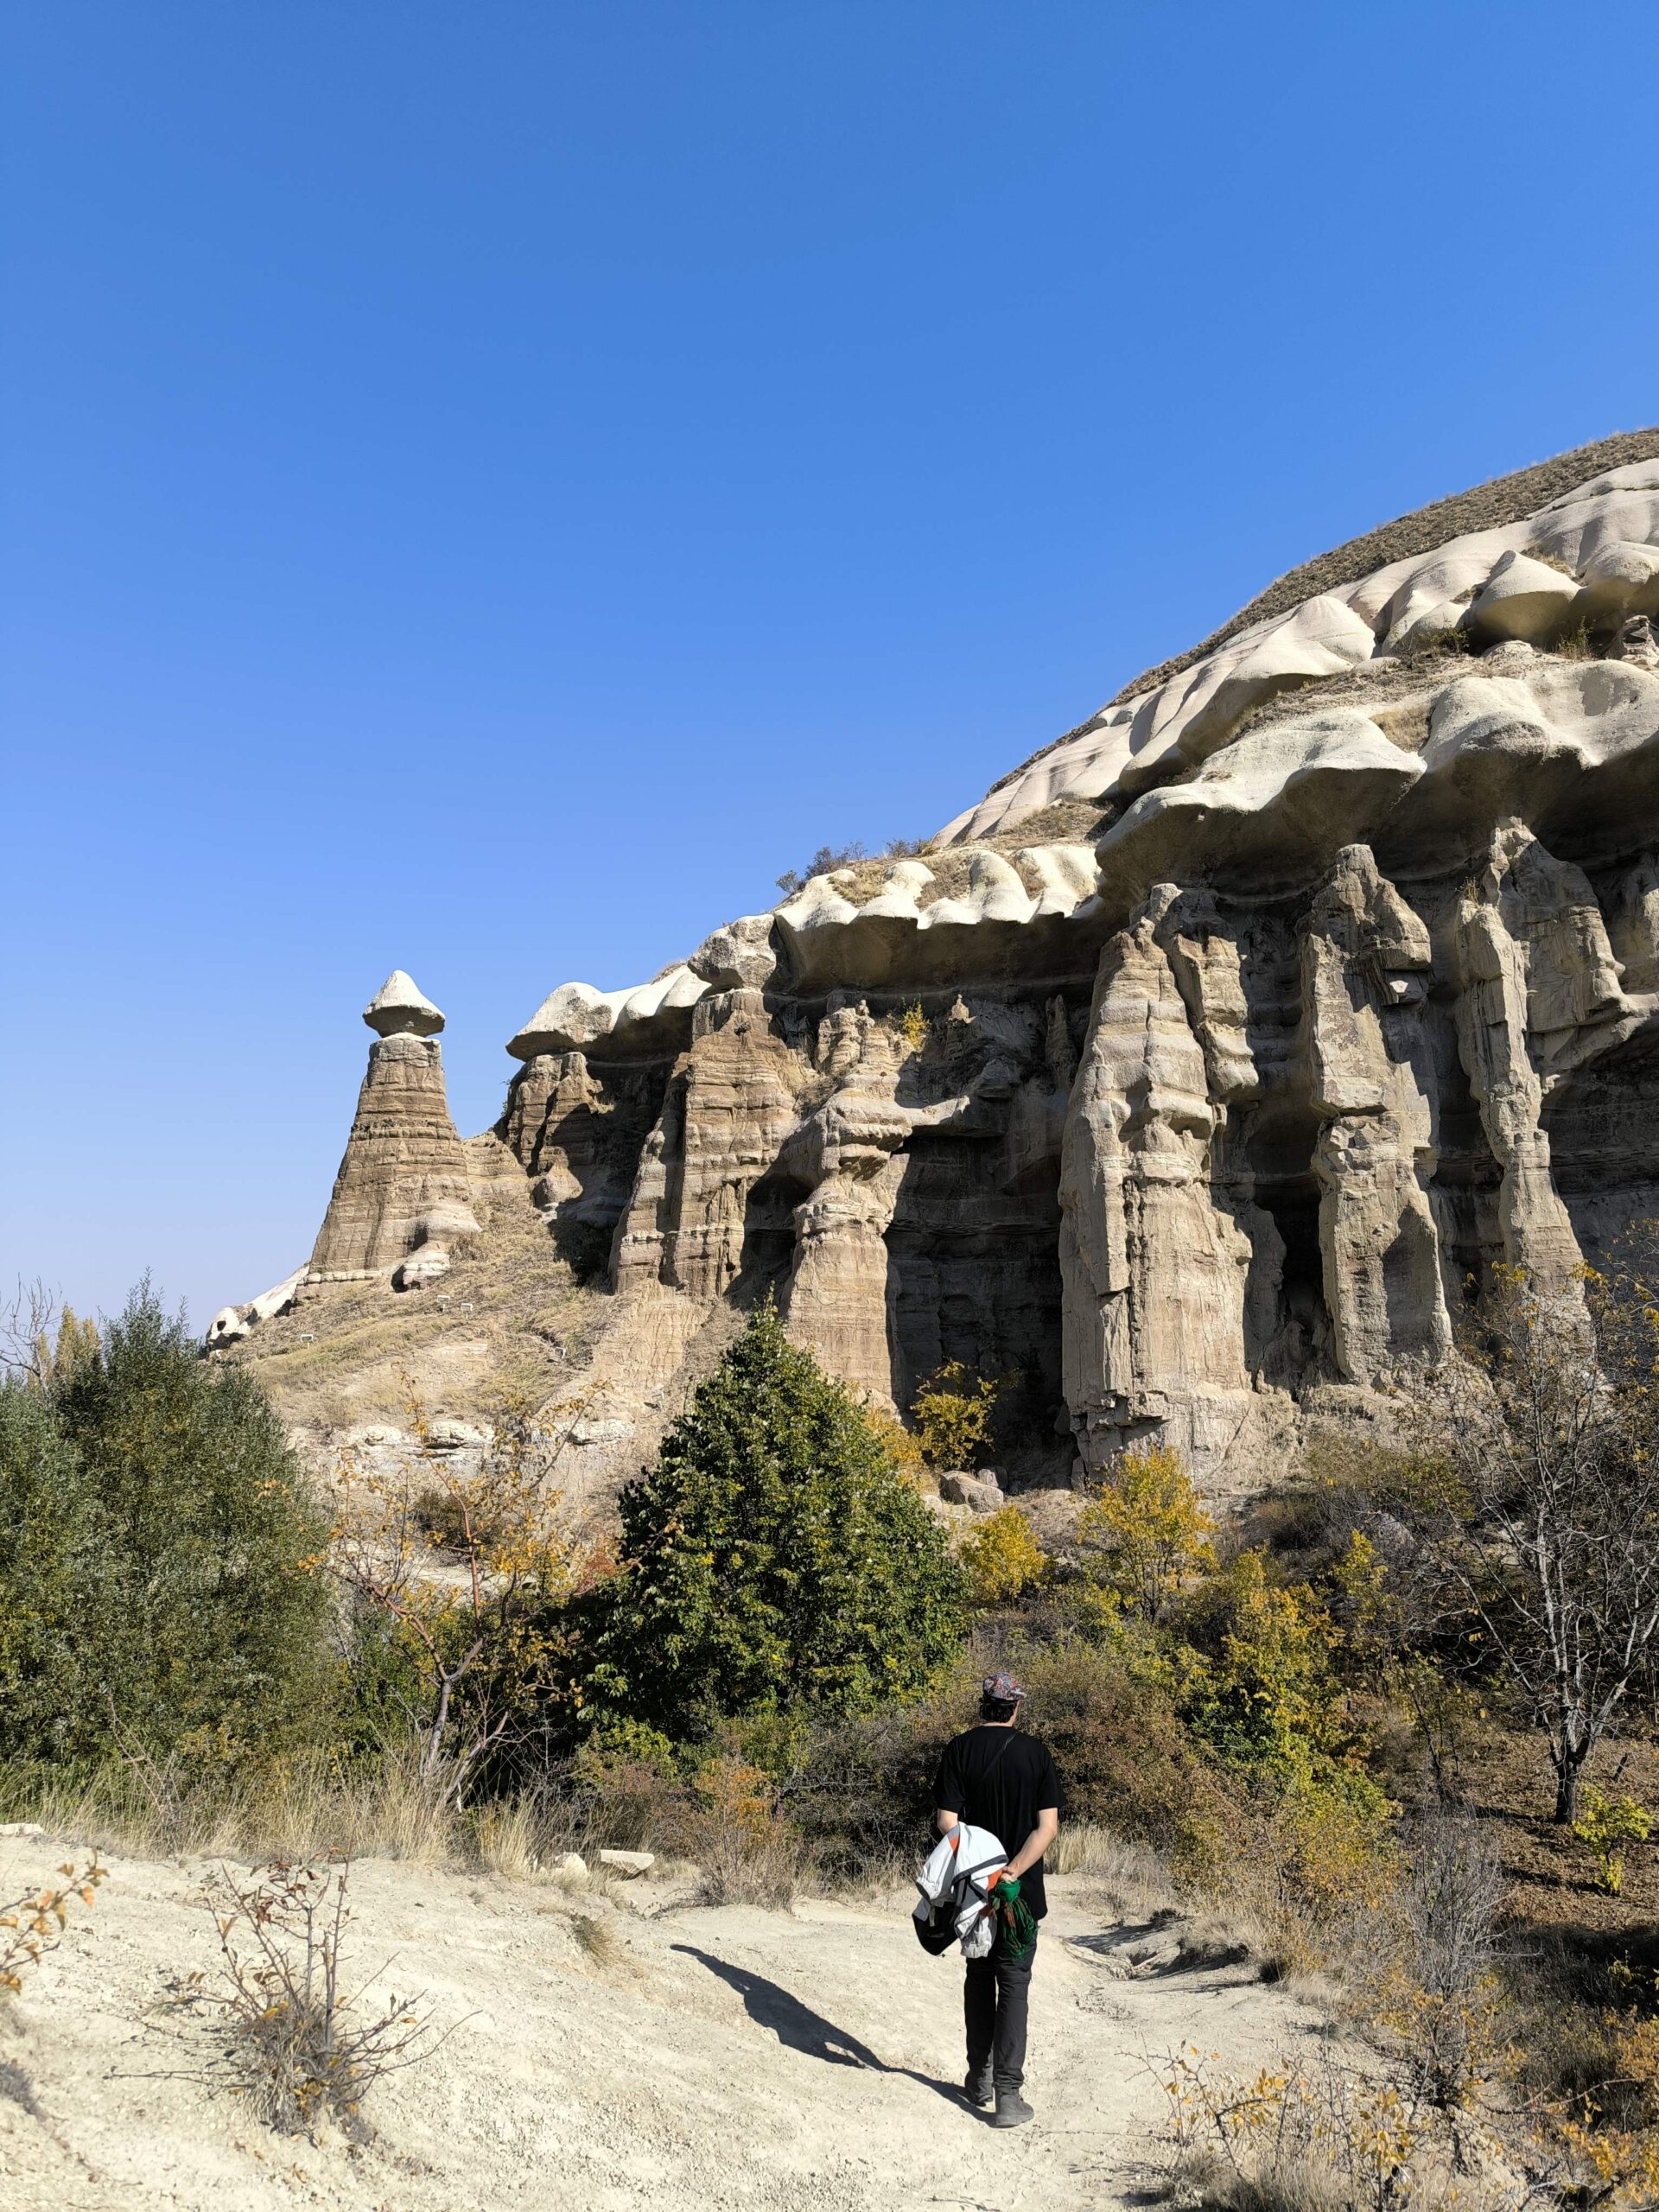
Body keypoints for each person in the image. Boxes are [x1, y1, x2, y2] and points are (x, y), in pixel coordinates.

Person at [932, 1669, 1060, 2128]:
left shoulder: (959, 1749)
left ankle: (979, 2077)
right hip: (1019, 1895)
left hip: (974, 1893)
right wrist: (1011, 1871)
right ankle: (1008, 2096)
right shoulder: (1036, 1754)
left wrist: (984, 1865)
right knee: (1014, 1984)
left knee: (978, 1978)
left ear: (982, 1705)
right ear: (1015, 1707)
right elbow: (1046, 1828)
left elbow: (947, 1820)